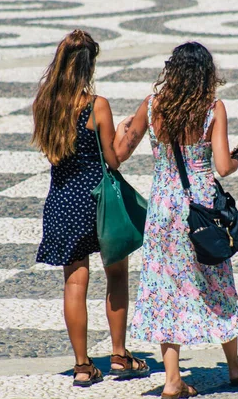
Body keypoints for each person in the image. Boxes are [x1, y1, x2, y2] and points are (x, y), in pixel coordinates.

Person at [114, 42, 238, 398]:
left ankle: (172, 379)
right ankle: (235, 365)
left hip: (164, 208)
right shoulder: (213, 109)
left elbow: (119, 154)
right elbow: (223, 167)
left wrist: (122, 129)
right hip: (200, 208)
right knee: (216, 280)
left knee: (167, 290)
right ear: (205, 75)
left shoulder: (151, 107)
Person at [31, 30, 149, 387]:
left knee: (74, 283)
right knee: (116, 275)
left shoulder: (45, 105)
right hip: (98, 200)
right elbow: (111, 160)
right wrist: (124, 130)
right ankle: (118, 354)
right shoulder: (96, 105)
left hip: (62, 200)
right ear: (89, 65)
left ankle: (82, 365)